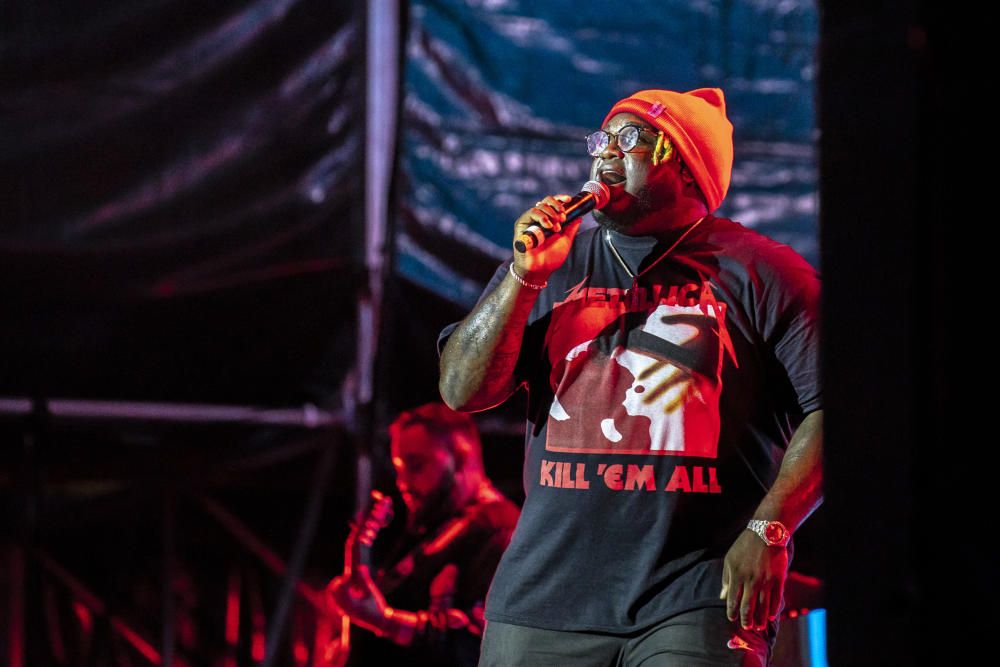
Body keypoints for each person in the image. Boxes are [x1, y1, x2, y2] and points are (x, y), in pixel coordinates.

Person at [438, 88, 822, 667]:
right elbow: (462, 391)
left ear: (689, 168)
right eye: (600, 140)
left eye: (631, 140)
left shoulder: (763, 273)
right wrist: (523, 276)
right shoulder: (555, 266)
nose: (604, 155)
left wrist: (771, 529)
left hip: (695, 595)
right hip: (545, 601)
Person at [325, 402, 520, 667]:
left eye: (416, 466)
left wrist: (384, 621)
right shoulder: (433, 527)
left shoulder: (498, 529)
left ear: (460, 459)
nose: (402, 483)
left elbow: (484, 642)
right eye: (399, 469)